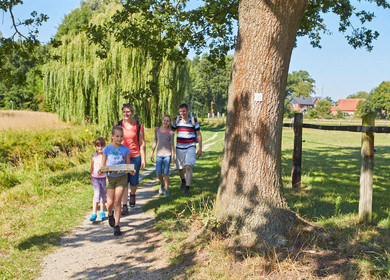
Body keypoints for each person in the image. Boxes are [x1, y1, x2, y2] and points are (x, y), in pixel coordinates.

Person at [100, 126, 134, 236]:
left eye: (121, 137)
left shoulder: (125, 150)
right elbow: (103, 164)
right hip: (110, 178)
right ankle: (110, 214)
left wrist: (131, 170)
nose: (119, 139)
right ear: (112, 136)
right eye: (117, 136)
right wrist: (101, 170)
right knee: (109, 204)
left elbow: (128, 165)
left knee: (117, 201)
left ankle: (117, 225)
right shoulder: (107, 149)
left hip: (121, 178)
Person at [115, 103, 146, 215]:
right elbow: (113, 141)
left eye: (128, 112)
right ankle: (124, 205)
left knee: (133, 182)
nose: (126, 114)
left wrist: (143, 158)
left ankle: (132, 193)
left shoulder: (138, 124)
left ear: (132, 112)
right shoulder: (118, 125)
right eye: (124, 112)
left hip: (134, 156)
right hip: (121, 157)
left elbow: (142, 142)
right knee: (123, 182)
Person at [171, 103, 202, 196]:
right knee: (180, 168)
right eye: (180, 111)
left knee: (188, 166)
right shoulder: (176, 120)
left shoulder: (193, 120)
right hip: (179, 147)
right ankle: (183, 181)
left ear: (188, 111)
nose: (182, 113)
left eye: (184, 111)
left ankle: (187, 188)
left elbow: (199, 134)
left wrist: (200, 148)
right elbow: (171, 132)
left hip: (191, 146)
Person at [150, 115, 175, 197]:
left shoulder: (171, 133)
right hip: (159, 155)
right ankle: (162, 184)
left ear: (169, 123)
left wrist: (173, 157)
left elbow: (172, 145)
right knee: (158, 173)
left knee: (166, 173)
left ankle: (167, 191)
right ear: (162, 120)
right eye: (164, 120)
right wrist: (152, 152)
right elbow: (155, 142)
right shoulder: (157, 131)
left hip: (167, 155)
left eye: (167, 121)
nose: (165, 122)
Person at [89, 137, 107, 221]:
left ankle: (102, 212)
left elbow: (107, 167)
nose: (100, 148)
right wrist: (91, 177)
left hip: (103, 178)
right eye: (98, 146)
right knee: (97, 194)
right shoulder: (94, 157)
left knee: (103, 195)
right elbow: (91, 168)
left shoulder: (105, 156)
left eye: (102, 146)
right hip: (96, 178)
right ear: (95, 147)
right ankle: (94, 213)